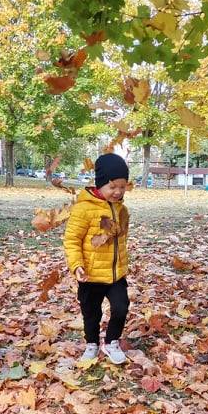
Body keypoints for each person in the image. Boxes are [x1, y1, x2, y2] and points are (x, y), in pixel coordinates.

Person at [64, 153, 130, 365]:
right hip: (90, 275)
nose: (118, 191)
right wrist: (76, 265)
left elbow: (121, 239)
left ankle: (111, 342)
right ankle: (91, 343)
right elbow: (72, 240)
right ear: (100, 184)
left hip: (115, 274)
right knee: (91, 312)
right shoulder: (83, 209)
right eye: (113, 187)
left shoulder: (121, 209)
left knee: (121, 307)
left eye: (122, 187)